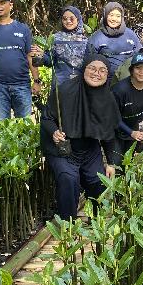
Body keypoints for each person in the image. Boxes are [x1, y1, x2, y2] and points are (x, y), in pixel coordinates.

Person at [40, 53, 120, 220]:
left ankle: (98, 222)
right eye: (92, 68)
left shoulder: (108, 98)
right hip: (63, 149)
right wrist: (54, 131)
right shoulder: (64, 90)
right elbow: (47, 118)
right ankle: (68, 225)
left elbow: (108, 133)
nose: (96, 73)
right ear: (84, 69)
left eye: (102, 70)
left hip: (89, 149)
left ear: (107, 75)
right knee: (69, 180)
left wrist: (111, 163)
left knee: (98, 180)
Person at [111, 53, 143, 163]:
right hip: (115, 130)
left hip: (133, 127)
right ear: (131, 69)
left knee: (128, 162)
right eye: (138, 68)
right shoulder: (119, 90)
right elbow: (112, 116)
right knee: (116, 163)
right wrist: (131, 132)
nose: (142, 72)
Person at [30, 5, 89, 86]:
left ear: (78, 19)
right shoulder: (56, 38)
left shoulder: (86, 41)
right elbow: (50, 62)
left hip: (80, 85)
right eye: (64, 19)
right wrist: (42, 55)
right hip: (60, 85)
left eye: (71, 18)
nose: (68, 21)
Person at [86, 1, 141, 82]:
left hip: (129, 80)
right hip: (104, 81)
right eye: (111, 15)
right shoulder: (97, 37)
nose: (114, 19)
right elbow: (89, 60)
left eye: (118, 16)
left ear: (122, 18)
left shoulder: (130, 34)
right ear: (105, 15)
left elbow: (138, 55)